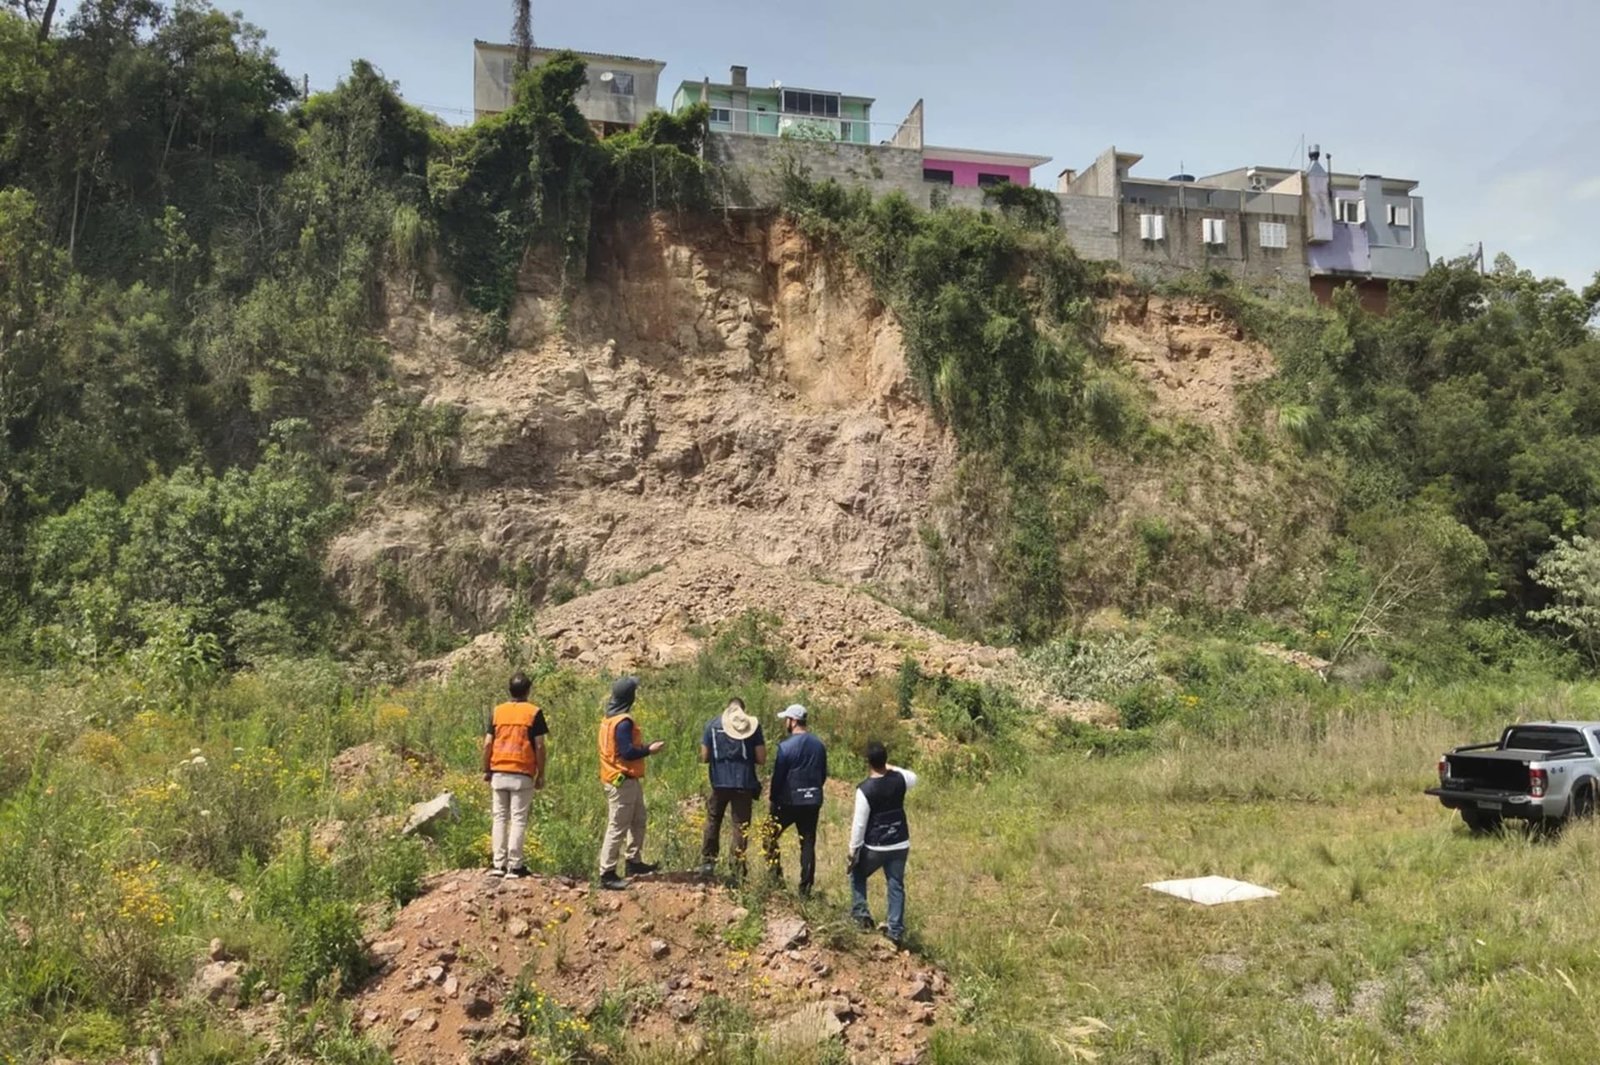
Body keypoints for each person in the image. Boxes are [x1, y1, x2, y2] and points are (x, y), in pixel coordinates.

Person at [596, 676, 665, 890]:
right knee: (617, 826)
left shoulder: (609, 718)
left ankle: (633, 861)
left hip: (623, 778)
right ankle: (607, 873)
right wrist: (648, 749)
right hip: (622, 780)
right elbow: (626, 752)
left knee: (638, 819)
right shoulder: (623, 722)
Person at [847, 740, 919, 947]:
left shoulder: (865, 789)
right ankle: (895, 931)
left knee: (858, 872)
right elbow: (914, 777)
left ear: (867, 762)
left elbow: (859, 824)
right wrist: (891, 767)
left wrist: (853, 850)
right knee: (896, 884)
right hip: (900, 841)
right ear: (886, 760)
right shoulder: (900, 779)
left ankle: (861, 915)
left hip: (876, 844)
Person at [482, 671, 549, 879]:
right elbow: (539, 745)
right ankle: (515, 865)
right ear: (528, 690)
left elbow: (487, 744)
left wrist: (486, 769)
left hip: (499, 772)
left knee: (499, 818)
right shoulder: (533, 712)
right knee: (518, 819)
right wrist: (540, 773)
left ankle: (498, 865)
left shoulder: (498, 711)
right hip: (522, 772)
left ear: (509, 690)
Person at [698, 698, 766, 877]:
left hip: (719, 782)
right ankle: (736, 868)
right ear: (744, 710)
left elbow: (704, 756)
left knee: (713, 820)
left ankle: (708, 863)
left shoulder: (711, 725)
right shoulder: (752, 728)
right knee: (740, 825)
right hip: (743, 782)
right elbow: (761, 758)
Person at [764, 704, 827, 896]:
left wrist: (774, 799)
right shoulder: (819, 745)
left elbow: (779, 777)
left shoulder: (785, 747)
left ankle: (775, 878)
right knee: (807, 843)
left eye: (786, 719)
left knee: (769, 835)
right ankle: (805, 888)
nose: (785, 723)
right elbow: (823, 774)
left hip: (789, 801)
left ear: (792, 721)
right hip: (812, 800)